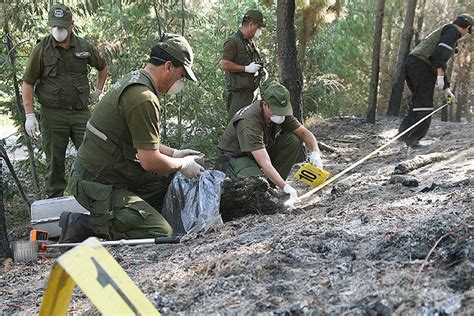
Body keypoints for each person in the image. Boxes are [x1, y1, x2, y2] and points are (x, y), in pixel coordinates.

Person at [61, 33, 204, 243]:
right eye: (181, 75)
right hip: (96, 184)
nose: (179, 82)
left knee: (168, 180)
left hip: (110, 172)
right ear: (167, 67)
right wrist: (182, 164)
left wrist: (174, 154)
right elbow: (149, 161)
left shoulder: (136, 80)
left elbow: (142, 141)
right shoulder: (143, 98)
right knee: (160, 231)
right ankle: (82, 225)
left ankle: (133, 213)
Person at [22, 3, 109, 198]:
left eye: (61, 26)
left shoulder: (84, 46)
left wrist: (98, 90)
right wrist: (30, 115)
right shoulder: (41, 49)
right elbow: (28, 83)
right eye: (54, 26)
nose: (58, 30)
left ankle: (94, 199)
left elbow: (102, 67)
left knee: (92, 155)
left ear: (72, 25)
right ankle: (55, 203)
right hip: (53, 114)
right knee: (55, 162)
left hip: (80, 112)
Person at [217, 82, 323, 200]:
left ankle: (273, 185)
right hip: (236, 158)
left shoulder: (281, 111)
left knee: (293, 140)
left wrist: (315, 152)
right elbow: (264, 162)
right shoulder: (248, 121)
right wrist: (285, 187)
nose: (280, 114)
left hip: (259, 151)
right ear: (265, 104)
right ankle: (272, 187)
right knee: (257, 188)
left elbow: (304, 133)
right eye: (276, 110)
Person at [398, 13, 472, 148]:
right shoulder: (453, 31)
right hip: (421, 66)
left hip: (413, 63)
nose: (467, 34)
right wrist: (439, 77)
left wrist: (446, 88)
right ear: (466, 27)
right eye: (469, 31)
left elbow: (439, 61)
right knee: (424, 103)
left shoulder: (447, 31)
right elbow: (440, 55)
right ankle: (413, 140)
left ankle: (404, 135)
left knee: (419, 100)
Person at [220, 9, 268, 120]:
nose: (260, 31)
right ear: (251, 25)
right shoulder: (233, 42)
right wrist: (246, 69)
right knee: (238, 127)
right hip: (239, 96)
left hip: (254, 93)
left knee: (256, 126)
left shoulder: (250, 42)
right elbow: (224, 64)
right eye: (259, 27)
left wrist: (261, 71)